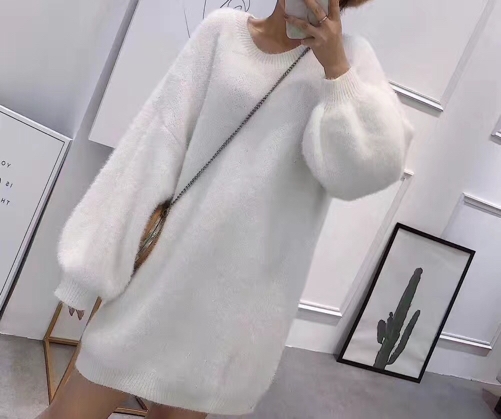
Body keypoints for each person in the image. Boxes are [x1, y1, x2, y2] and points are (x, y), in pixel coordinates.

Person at [37, 0, 413, 418]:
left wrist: (336, 70)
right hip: (161, 281)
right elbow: (154, 145)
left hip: (236, 311)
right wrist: (88, 269)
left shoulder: (352, 61)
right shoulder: (222, 33)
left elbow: (367, 172)